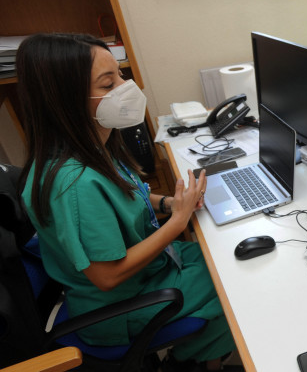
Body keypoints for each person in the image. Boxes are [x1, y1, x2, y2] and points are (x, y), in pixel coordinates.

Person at [16, 33, 238, 371]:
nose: (124, 87)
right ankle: (197, 362)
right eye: (108, 85)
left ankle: (203, 354)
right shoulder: (73, 184)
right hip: (119, 307)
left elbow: (125, 191)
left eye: (120, 74)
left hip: (147, 275)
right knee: (235, 282)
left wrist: (169, 203)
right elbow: (107, 276)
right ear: (66, 100)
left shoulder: (88, 146)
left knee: (225, 251)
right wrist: (177, 221)